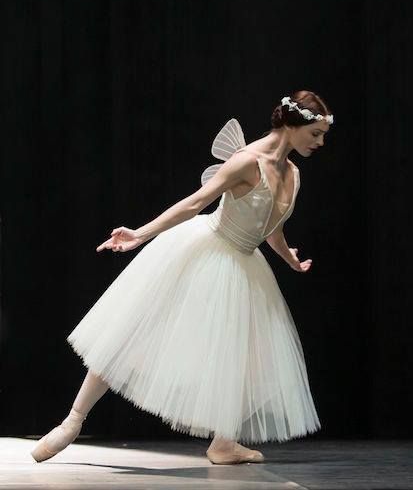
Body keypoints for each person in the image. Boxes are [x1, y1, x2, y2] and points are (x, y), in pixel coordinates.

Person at [31, 89, 333, 465]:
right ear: (292, 124)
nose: (320, 142)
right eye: (316, 133)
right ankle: (73, 422)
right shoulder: (246, 162)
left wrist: (289, 258)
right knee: (133, 329)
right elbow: (194, 203)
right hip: (205, 252)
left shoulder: (293, 174)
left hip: (245, 264)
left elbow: (271, 227)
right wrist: (140, 234)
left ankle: (223, 443)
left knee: (244, 355)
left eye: (322, 135)